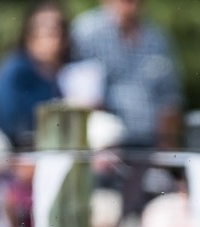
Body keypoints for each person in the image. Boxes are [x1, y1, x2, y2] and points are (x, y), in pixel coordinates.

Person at [70, 0, 183, 150]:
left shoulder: (157, 39)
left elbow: (170, 99)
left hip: (150, 148)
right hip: (101, 150)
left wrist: (167, 151)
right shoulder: (85, 33)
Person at [0, 1, 70, 149]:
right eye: (48, 32)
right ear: (29, 35)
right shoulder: (13, 72)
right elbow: (10, 123)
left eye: (59, 31)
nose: (56, 38)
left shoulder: (63, 72)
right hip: (18, 151)